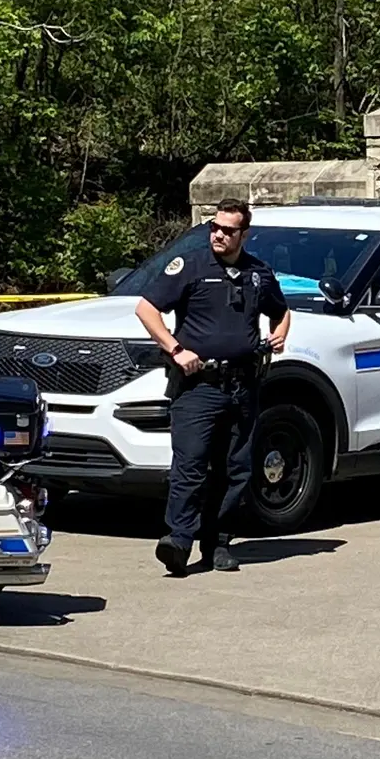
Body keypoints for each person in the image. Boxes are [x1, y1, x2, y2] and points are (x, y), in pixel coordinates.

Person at [135, 197, 290, 576]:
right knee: (190, 465)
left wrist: (279, 334)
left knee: (235, 469)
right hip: (198, 385)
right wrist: (175, 349)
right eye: (215, 228)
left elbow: (281, 310)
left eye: (228, 230)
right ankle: (178, 540)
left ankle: (218, 543)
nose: (219, 235)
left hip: (243, 384)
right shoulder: (189, 267)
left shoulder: (258, 273)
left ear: (244, 234)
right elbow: (146, 308)